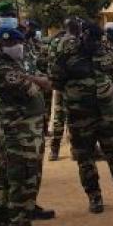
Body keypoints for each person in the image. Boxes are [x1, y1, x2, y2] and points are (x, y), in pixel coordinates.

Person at [51, 21, 113, 213]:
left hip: (106, 115)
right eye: (92, 38)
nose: (95, 42)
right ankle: (95, 198)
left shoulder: (106, 53)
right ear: (83, 36)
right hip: (80, 117)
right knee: (85, 159)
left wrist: (108, 93)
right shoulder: (67, 56)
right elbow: (57, 81)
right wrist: (78, 92)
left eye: (98, 39)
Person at [0, 27, 52, 226]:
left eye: (18, 42)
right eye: (13, 43)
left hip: (27, 131)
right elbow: (32, 90)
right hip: (18, 132)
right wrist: (34, 80)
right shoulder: (0, 69)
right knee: (19, 181)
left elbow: (45, 83)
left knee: (27, 179)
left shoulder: (14, 65)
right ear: (2, 45)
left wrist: (32, 78)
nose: (18, 47)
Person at [47, 18, 81, 161]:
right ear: (76, 28)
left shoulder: (55, 42)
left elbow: (50, 62)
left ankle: (54, 151)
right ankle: (75, 150)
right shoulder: (78, 42)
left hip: (59, 85)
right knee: (74, 117)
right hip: (74, 86)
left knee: (58, 117)